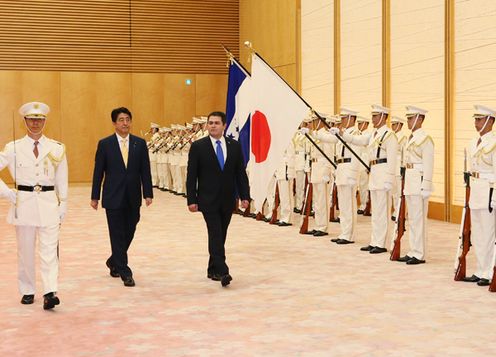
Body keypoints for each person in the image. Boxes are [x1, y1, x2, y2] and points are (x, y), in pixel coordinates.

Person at [0, 101, 68, 309]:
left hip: (48, 204)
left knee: (49, 250)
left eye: (39, 119)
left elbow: (62, 178)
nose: (36, 123)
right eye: (32, 119)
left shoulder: (56, 148)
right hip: (24, 205)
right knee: (26, 251)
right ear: (25, 121)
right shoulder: (13, 147)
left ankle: (50, 292)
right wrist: (7, 193)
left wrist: (63, 203)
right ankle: (28, 289)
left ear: (45, 121)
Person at [91, 107, 153, 287]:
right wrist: (95, 196)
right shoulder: (105, 144)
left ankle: (114, 260)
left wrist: (147, 193)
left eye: (127, 119)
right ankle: (125, 271)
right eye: (121, 120)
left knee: (130, 228)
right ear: (114, 123)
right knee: (117, 233)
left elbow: (145, 170)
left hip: (133, 195)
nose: (125, 123)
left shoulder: (139, 143)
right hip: (113, 195)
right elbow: (98, 172)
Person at [186, 111, 250, 287]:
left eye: (216, 123)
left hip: (227, 200)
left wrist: (245, 196)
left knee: (221, 234)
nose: (212, 126)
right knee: (215, 233)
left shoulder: (234, 146)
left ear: (224, 126)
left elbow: (240, 173)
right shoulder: (199, 146)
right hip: (207, 200)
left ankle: (212, 268)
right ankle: (223, 271)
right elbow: (192, 175)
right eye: (210, 123)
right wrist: (191, 199)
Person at [339, 105, 398, 254]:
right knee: (376, 211)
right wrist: (341, 134)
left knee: (382, 211)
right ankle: (374, 241)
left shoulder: (389, 135)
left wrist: (390, 179)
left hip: (384, 173)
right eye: (372, 116)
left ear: (384, 117)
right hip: (375, 174)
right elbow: (356, 140)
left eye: (375, 116)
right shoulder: (373, 135)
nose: (373, 119)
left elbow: (392, 159)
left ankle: (381, 243)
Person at [463, 105, 496, 286]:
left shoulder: (494, 142)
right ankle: (480, 269)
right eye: (475, 119)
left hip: (488, 192)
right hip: (475, 191)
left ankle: (489, 272)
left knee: (488, 233)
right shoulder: (472, 142)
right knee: (477, 234)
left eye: (480, 119)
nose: (476, 123)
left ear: (490, 121)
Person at [398, 105, 434, 265]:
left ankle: (419, 253)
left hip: (419, 182)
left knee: (419, 219)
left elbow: (429, 164)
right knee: (412, 218)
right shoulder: (410, 138)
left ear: (420, 119)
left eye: (411, 118)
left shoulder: (425, 139)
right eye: (408, 118)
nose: (408, 121)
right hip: (410, 181)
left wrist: (426, 185)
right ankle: (413, 250)